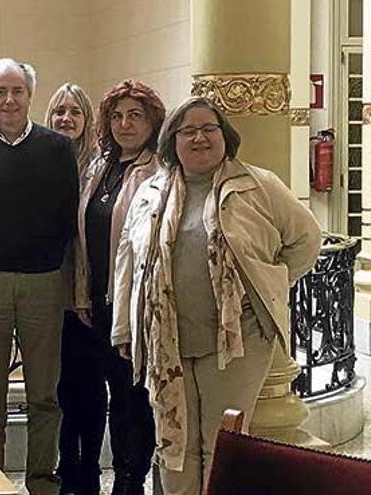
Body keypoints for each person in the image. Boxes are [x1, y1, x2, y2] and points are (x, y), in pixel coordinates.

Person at [111, 96, 322, 495]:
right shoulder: (150, 192)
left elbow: (306, 240)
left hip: (237, 340)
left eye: (209, 128)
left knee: (222, 442)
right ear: (172, 140)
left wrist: (267, 282)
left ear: (225, 136)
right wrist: (124, 328)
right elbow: (128, 259)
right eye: (187, 130)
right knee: (175, 442)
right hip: (166, 340)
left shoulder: (258, 185)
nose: (199, 138)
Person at [0, 58, 78, 495]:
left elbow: (66, 217)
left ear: (30, 96)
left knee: (44, 393)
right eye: (1, 91)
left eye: (17, 91)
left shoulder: (56, 149)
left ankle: (43, 481)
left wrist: (40, 257)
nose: (9, 99)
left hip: (43, 281)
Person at [74, 79, 165, 494]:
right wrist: (81, 297)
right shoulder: (99, 168)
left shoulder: (160, 171)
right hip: (95, 302)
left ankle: (131, 479)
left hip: (134, 305)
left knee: (132, 398)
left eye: (135, 115)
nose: (125, 124)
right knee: (103, 394)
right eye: (117, 115)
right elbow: (82, 239)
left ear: (152, 121)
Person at [43, 82, 99, 495]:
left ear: (87, 120)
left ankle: (91, 468)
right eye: (59, 111)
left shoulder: (99, 167)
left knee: (90, 385)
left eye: (74, 112)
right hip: (48, 292)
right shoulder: (39, 160)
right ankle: (66, 463)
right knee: (59, 385)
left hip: (89, 295)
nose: (66, 118)